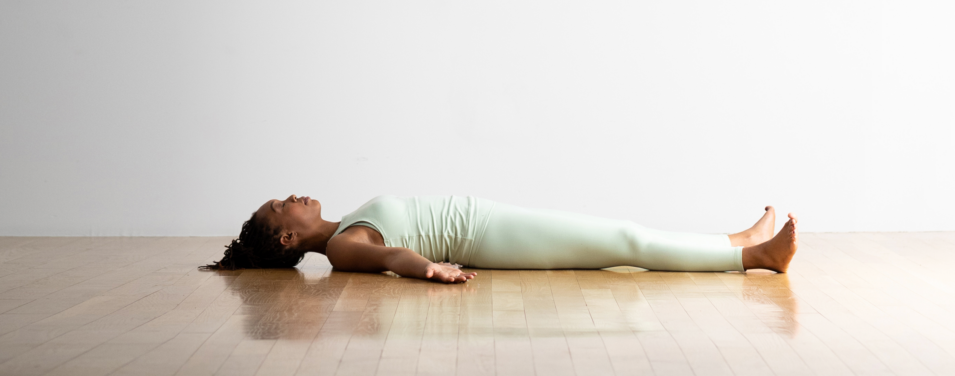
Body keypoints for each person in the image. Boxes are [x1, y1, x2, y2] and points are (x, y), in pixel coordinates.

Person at [200, 195, 798, 283]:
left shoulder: (345, 223)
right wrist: (430, 268)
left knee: (624, 235)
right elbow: (391, 256)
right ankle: (754, 257)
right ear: (287, 239)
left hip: (489, 219)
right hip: (491, 236)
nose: (292, 196)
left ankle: (734, 239)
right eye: (281, 206)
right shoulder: (341, 247)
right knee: (624, 242)